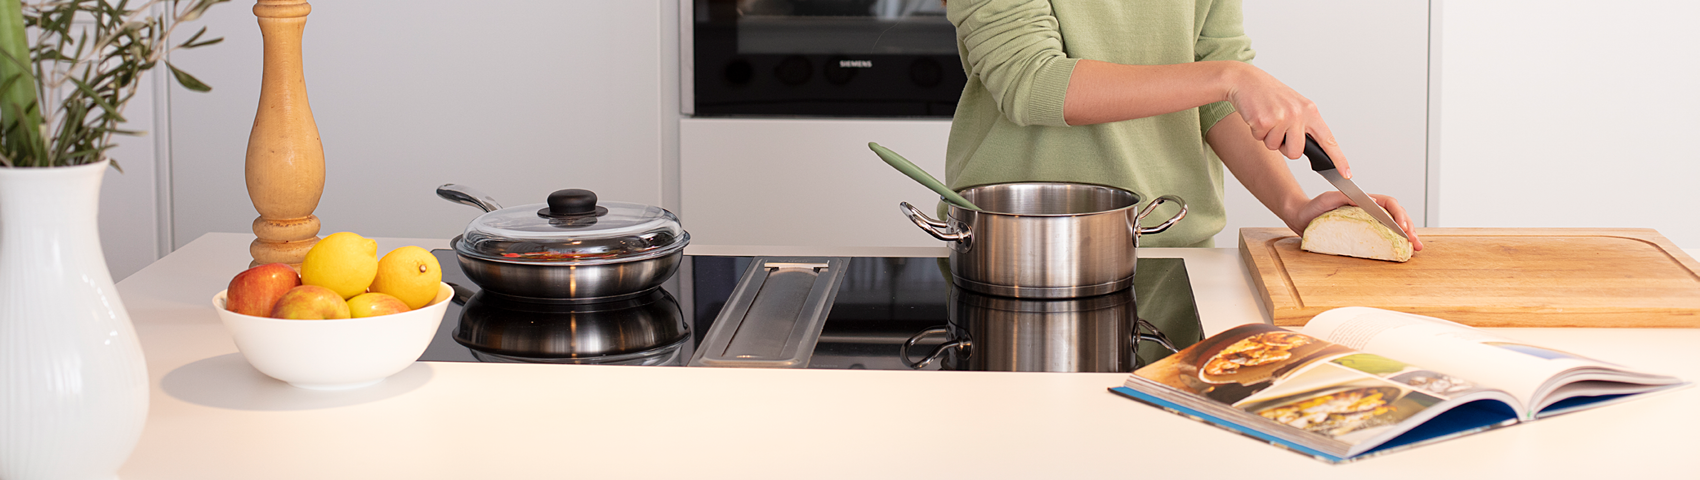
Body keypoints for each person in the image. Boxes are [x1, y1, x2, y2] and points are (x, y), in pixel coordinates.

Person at [943, 0, 1424, 249]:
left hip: (1175, 249)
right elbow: (1031, 81)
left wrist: (1294, 206)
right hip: (1018, 251)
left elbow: (1216, 100)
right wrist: (1230, 77)